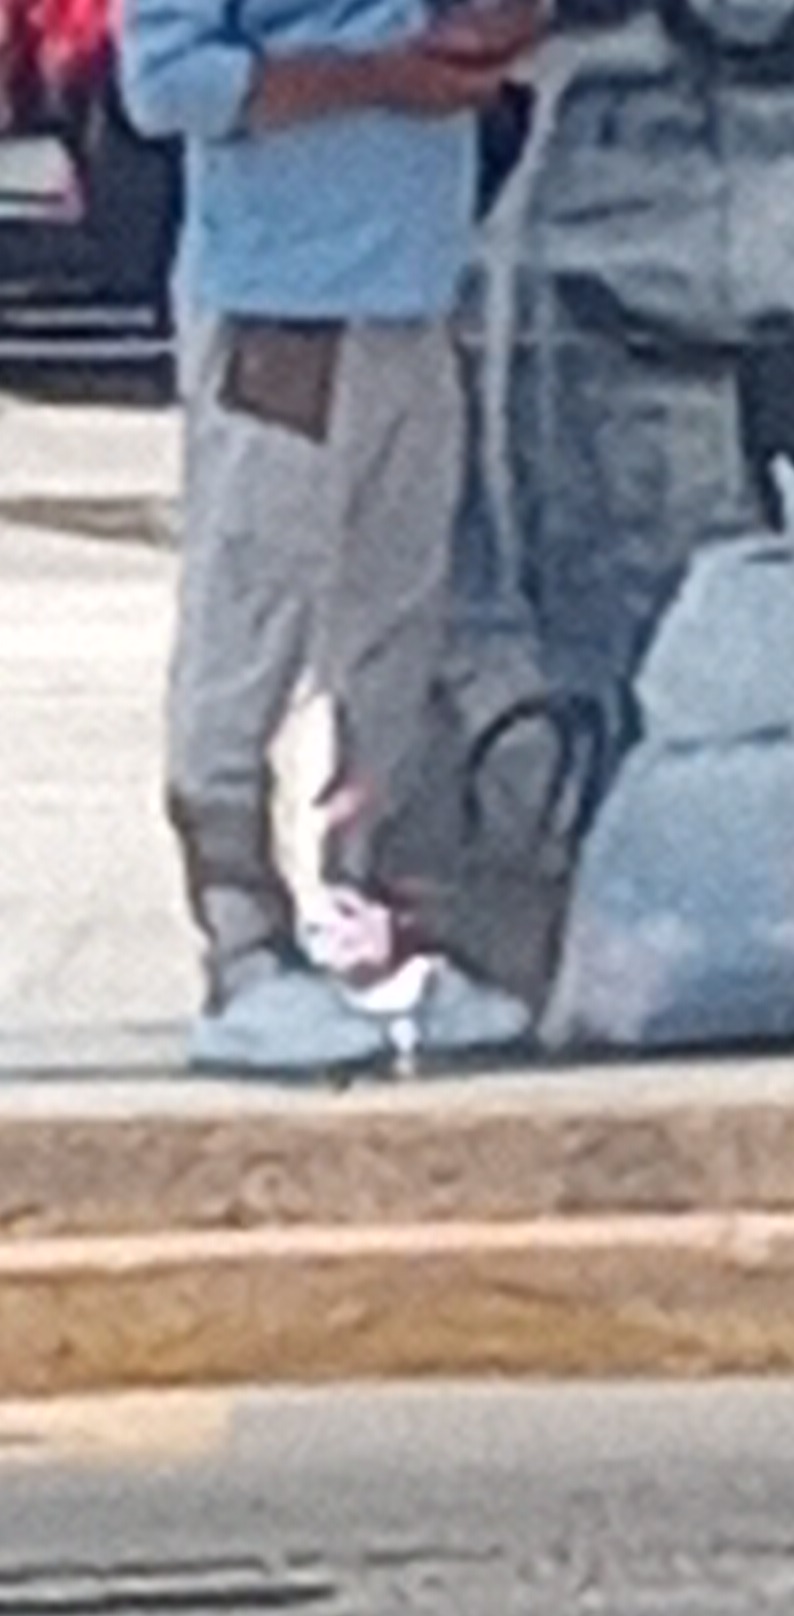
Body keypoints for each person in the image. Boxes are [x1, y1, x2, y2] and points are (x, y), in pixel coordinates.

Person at [121, 0, 541, 1073]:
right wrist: (382, 77)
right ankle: (242, 949)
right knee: (248, 626)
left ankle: (374, 924)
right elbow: (166, 85)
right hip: (280, 312)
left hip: (415, 294)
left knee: (397, 627)